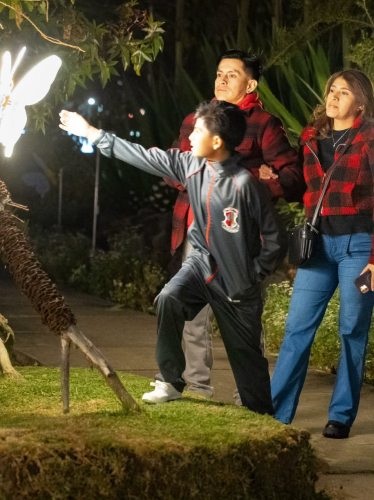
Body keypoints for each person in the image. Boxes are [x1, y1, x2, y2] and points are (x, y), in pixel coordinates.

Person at [59, 101, 285, 416]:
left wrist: (254, 275)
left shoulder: (245, 185)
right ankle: (170, 381)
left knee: (247, 363)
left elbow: (275, 237)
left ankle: (261, 416)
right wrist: (91, 133)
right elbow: (142, 155)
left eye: (198, 130)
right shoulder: (189, 165)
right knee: (169, 298)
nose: (190, 136)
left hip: (236, 283)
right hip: (198, 267)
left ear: (217, 141)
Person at [164, 49, 304, 399]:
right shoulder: (195, 120)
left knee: (243, 315)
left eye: (232, 74)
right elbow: (174, 168)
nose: (222, 79)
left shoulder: (264, 124)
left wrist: (257, 180)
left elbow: (292, 176)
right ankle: (197, 388)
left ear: (251, 83)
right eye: (219, 73)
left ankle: (250, 395)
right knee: (192, 314)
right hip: (197, 231)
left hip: (241, 238)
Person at [269, 69, 374, 438]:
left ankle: (340, 415)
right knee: (297, 327)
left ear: (360, 101)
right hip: (318, 249)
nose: (334, 96)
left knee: (351, 328)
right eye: (331, 90)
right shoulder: (311, 138)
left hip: (359, 251)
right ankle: (274, 412)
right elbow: (305, 190)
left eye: (344, 92)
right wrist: (273, 179)